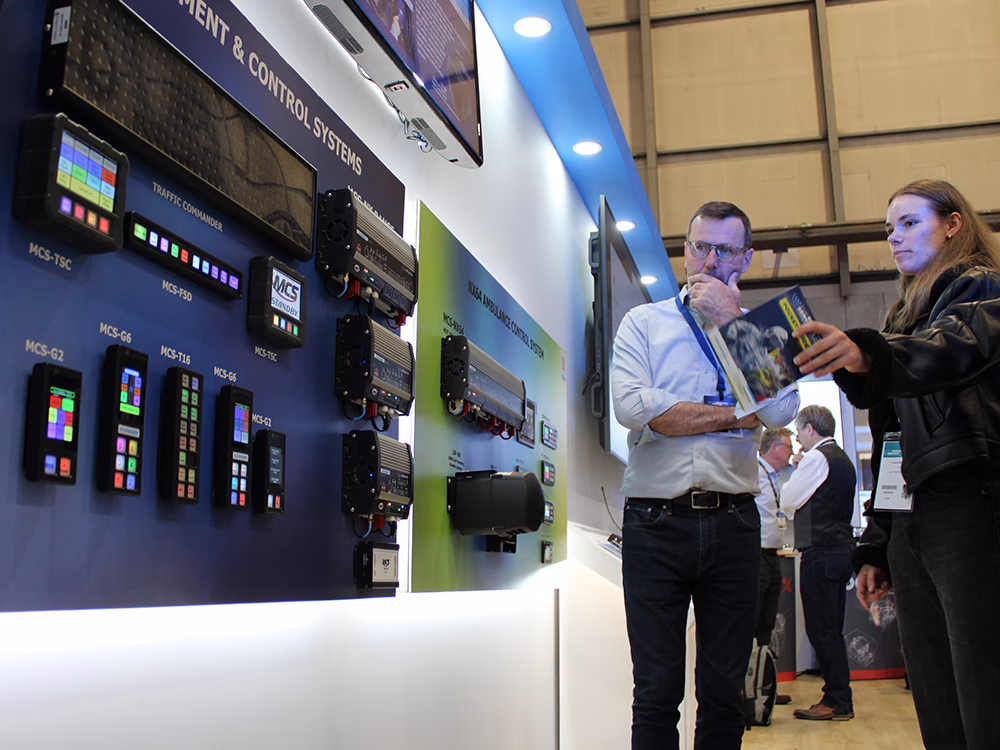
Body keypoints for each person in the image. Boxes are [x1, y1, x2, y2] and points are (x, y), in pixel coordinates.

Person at [792, 179, 1000, 748]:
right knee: (935, 692)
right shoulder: (903, 315)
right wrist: (881, 542)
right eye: (889, 229)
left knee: (984, 685)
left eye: (910, 222)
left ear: (953, 224)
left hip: (972, 502)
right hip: (915, 520)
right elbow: (893, 443)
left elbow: (955, 347)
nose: (894, 237)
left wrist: (871, 352)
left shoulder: (984, 288)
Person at [612, 200, 800, 749]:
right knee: (655, 691)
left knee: (722, 694)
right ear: (684, 251)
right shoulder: (643, 323)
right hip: (654, 521)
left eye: (725, 250)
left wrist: (730, 322)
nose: (709, 261)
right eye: (700, 247)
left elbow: (782, 413)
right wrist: (736, 416)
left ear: (744, 259)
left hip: (734, 525)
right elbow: (633, 407)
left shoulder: (762, 331)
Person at [778, 405, 857, 721]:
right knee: (832, 629)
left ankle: (838, 700)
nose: (797, 439)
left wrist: (798, 467)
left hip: (820, 552)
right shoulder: (843, 459)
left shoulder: (815, 459)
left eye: (798, 432)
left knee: (821, 629)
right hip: (840, 549)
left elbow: (788, 501)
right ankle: (839, 697)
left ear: (811, 429)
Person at [754, 427, 794, 706]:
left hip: (772, 554)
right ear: (773, 448)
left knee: (767, 624)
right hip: (753, 555)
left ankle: (763, 687)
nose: (792, 451)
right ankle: (746, 691)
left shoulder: (775, 476)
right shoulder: (753, 471)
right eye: (788, 447)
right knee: (752, 623)